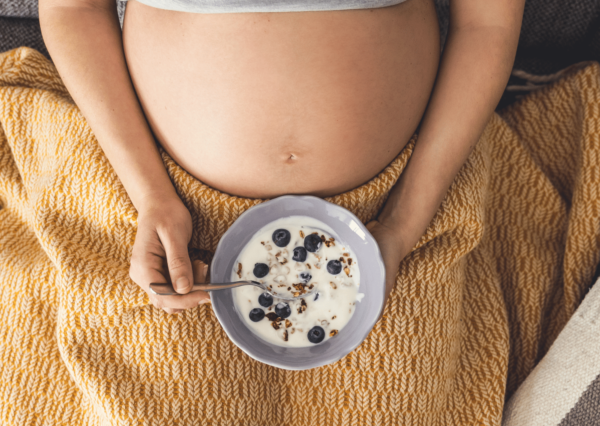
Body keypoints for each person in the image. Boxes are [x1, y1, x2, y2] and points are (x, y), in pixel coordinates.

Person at [39, 0, 525, 314]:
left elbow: (487, 22)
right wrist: (151, 197)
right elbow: (72, 9)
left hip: (404, 203)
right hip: (161, 200)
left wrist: (403, 223)